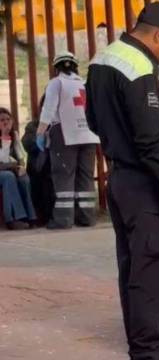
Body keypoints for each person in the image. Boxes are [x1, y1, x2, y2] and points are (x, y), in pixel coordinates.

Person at [85, 2, 159, 360]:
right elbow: (149, 136)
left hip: (121, 178)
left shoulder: (103, 58)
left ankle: (143, 358)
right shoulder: (139, 65)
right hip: (146, 183)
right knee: (154, 274)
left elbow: (94, 121)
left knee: (133, 271)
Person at [36, 51, 100, 229]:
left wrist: (40, 132)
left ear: (56, 68)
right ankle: (87, 217)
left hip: (65, 133)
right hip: (89, 135)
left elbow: (48, 109)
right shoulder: (84, 84)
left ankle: (63, 219)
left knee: (64, 176)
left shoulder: (56, 83)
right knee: (85, 176)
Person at [0, 108, 36, 230]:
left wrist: (21, 167)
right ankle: (13, 219)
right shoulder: (6, 136)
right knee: (8, 177)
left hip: (8, 168)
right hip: (4, 170)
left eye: (8, 119)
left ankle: (30, 216)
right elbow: (3, 159)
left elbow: (20, 156)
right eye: (2, 120)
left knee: (23, 179)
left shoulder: (14, 135)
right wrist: (4, 136)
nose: (5, 122)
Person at [22, 97, 55, 226]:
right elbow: (27, 143)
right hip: (40, 168)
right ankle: (44, 216)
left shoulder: (61, 125)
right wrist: (44, 140)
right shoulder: (33, 125)